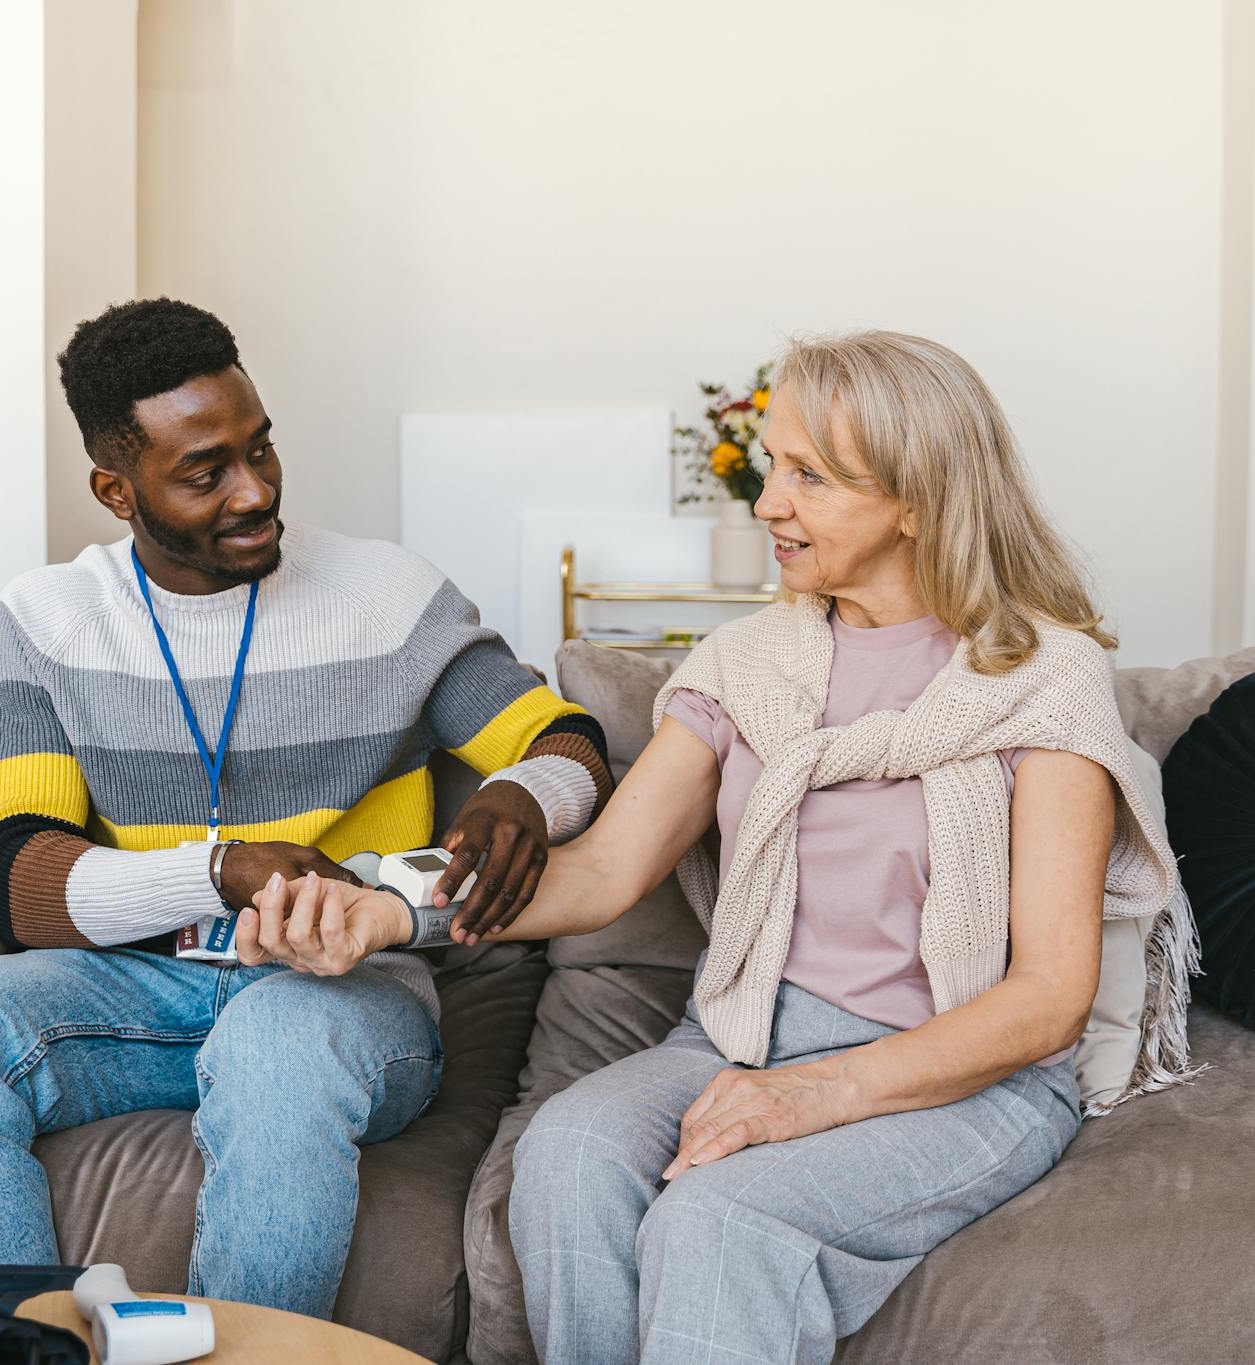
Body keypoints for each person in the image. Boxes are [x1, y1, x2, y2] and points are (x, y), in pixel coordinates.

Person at [234, 330, 1196, 1362]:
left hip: (963, 1072)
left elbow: (1049, 996)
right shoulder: (745, 663)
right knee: (564, 1153)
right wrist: (388, 909)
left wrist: (811, 1095)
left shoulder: (1040, 679)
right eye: (773, 465)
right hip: (740, 1030)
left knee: (717, 1220)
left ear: (916, 501)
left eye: (809, 478)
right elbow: (601, 870)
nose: (768, 503)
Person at [0, 297, 613, 1318]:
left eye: (260, 450)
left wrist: (521, 798)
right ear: (115, 490)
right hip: (143, 992)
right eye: (205, 472)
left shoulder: (386, 596)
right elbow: (18, 881)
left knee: (272, 1048)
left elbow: (564, 740)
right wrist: (217, 869)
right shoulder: (48, 621)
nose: (254, 491)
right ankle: (20, 1346)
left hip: (349, 992)